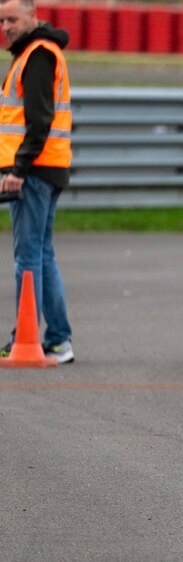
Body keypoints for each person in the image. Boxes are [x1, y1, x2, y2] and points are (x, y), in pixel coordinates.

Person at [0, 0, 73, 363]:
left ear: (32, 16)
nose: (6, 26)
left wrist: (18, 171)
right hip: (48, 168)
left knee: (27, 258)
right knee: (42, 254)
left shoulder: (38, 56)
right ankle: (58, 340)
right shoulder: (35, 53)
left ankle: (25, 337)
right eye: (1, 21)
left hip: (33, 173)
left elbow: (39, 121)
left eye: (12, 19)